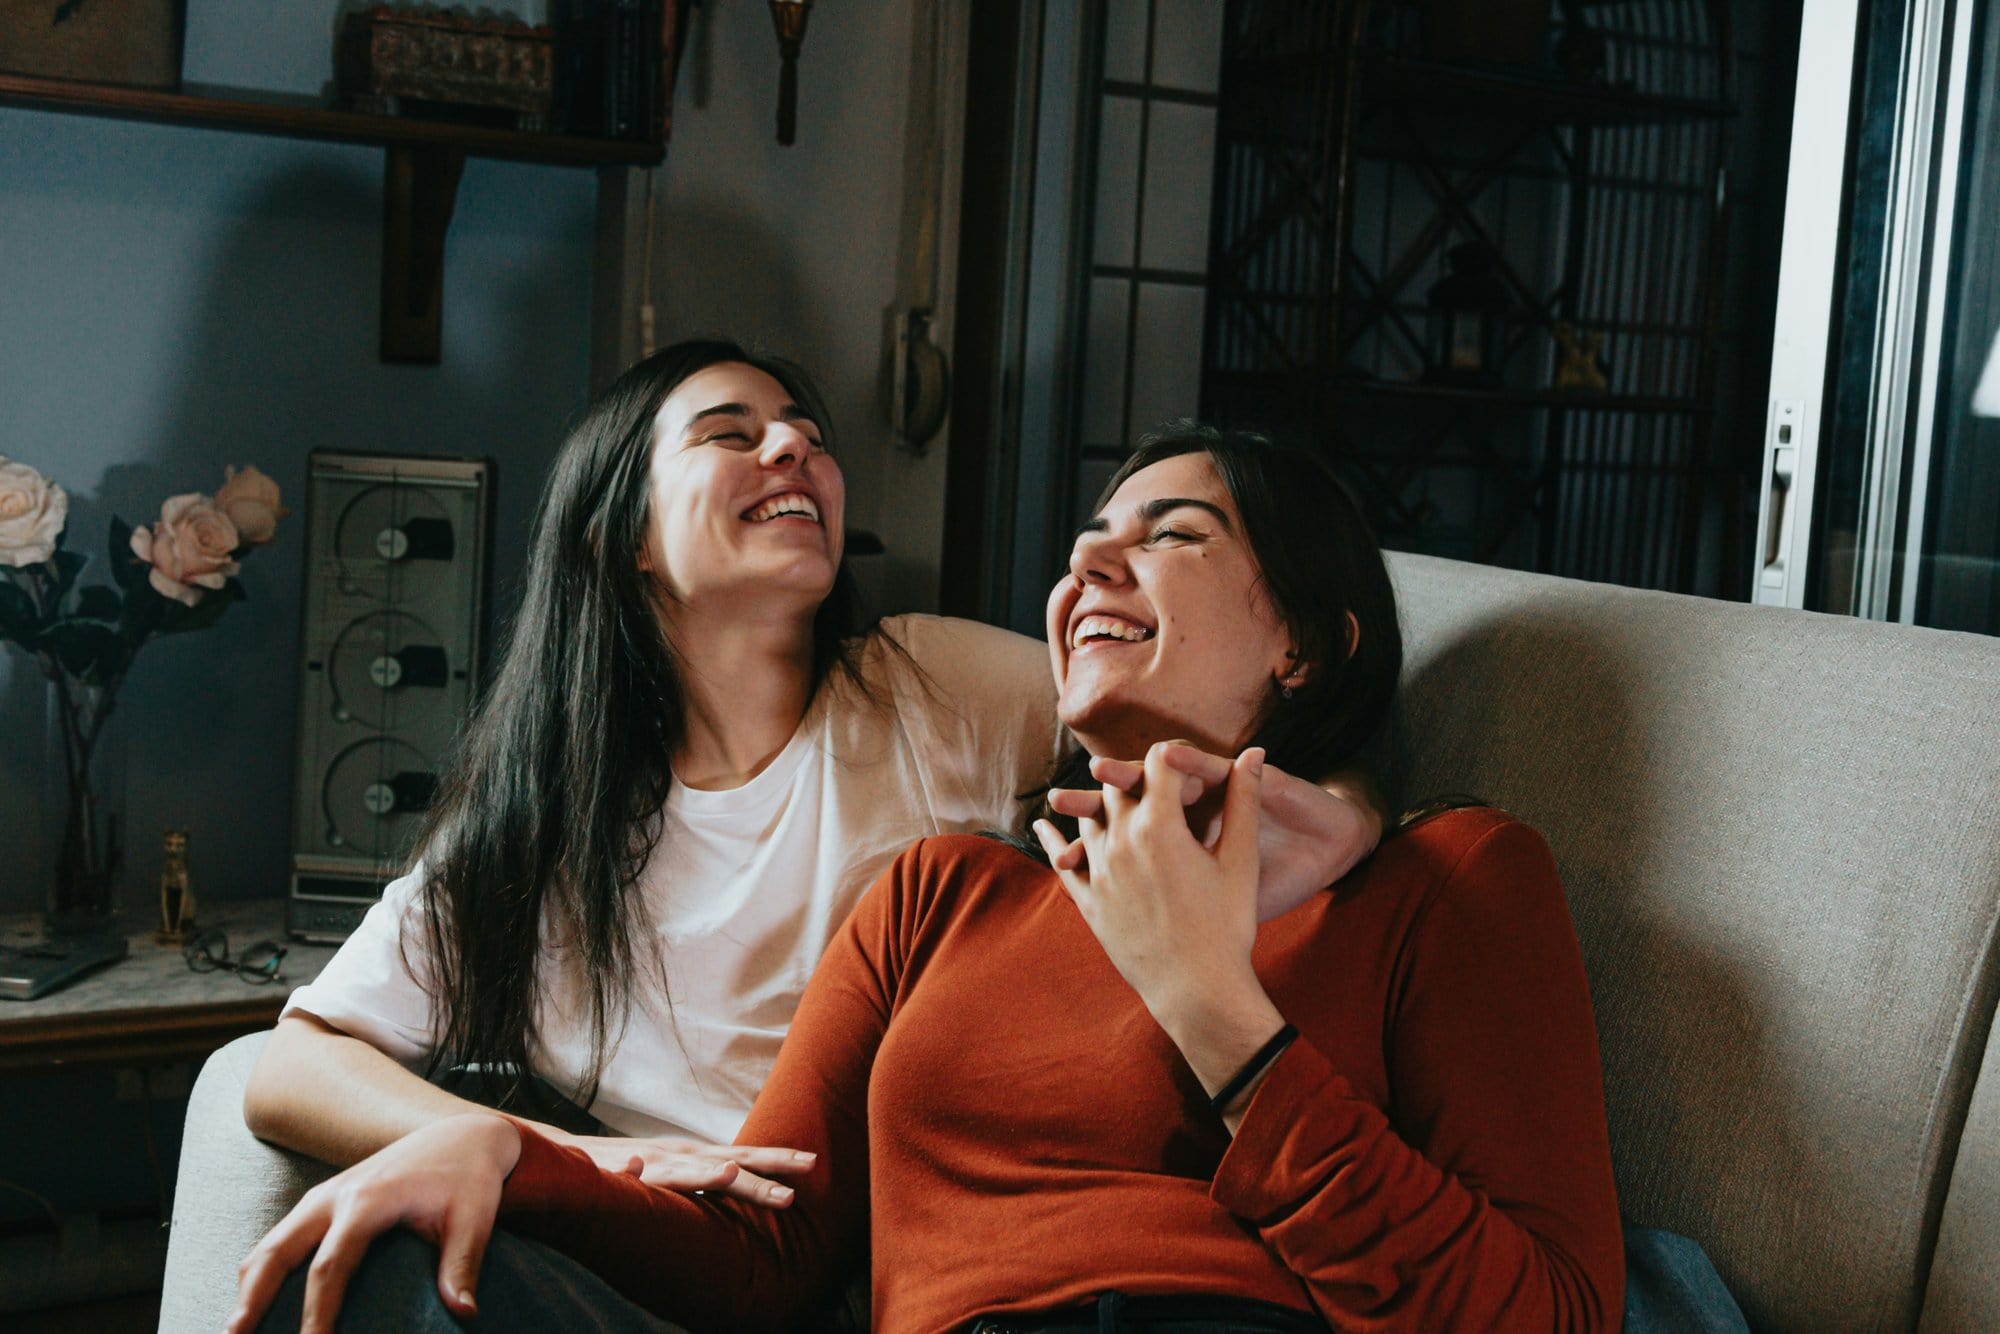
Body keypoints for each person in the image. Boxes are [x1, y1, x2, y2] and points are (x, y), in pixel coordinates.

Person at [232, 425, 1624, 1333]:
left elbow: (1556, 1314)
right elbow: (761, 1259)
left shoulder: (1447, 878)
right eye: (1088, 534)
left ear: (1309, 646)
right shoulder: (945, 895)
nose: (1090, 557)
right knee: (386, 1270)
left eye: (1173, 532)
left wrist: (1215, 1008)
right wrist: (508, 1155)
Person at [242, 341, 1382, 1211]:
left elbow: (1210, 722)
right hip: (670, 1241)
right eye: (729, 435)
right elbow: (292, 1066)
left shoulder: (932, 683)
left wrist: (1356, 810)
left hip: (909, 1237)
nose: (793, 450)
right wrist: (576, 1156)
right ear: (625, 537)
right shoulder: (544, 818)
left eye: (804, 434)